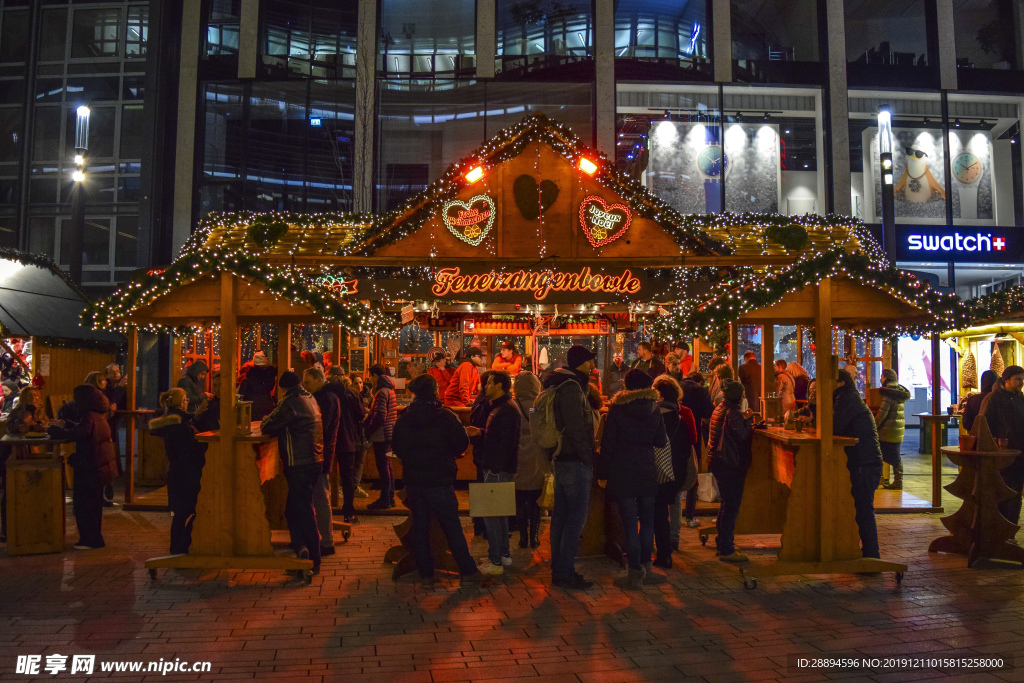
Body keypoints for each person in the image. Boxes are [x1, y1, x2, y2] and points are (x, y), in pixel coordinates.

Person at [391, 374, 487, 585]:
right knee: (452, 527)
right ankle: (468, 571)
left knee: (420, 527)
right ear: (435, 391)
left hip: (415, 480)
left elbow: (397, 446)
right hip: (439, 480)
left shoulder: (405, 417)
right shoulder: (446, 416)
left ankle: (426, 573)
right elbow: (461, 444)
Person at [599, 369, 668, 587]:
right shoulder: (654, 408)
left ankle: (634, 571)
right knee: (647, 521)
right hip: (647, 469)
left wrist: (603, 472)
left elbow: (608, 442)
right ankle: (647, 566)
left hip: (623, 469)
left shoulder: (618, 408)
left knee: (629, 523)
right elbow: (660, 441)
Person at [544, 345, 599, 589]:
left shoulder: (562, 383)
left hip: (563, 460)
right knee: (575, 519)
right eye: (589, 361)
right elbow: (576, 427)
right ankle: (564, 571)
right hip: (574, 461)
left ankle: (559, 569)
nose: (592, 366)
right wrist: (588, 457)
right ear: (580, 362)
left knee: (561, 518)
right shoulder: (572, 387)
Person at [261, 371, 324, 576]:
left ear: (282, 388)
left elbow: (268, 425)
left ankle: (313, 560)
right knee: (294, 509)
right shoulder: (309, 397)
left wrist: (267, 418)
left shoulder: (290, 401)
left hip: (299, 463)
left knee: (303, 511)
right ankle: (302, 551)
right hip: (314, 460)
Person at [48, 385, 118, 550]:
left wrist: (57, 430)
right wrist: (67, 423)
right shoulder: (98, 414)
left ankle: (89, 540)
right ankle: (95, 538)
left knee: (84, 504)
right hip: (99, 465)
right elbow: (85, 429)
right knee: (94, 505)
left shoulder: (88, 415)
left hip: (90, 466)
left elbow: (79, 434)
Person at [466, 370, 521, 575]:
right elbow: (498, 438)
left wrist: (494, 468)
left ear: (499, 386)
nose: (485, 387)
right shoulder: (500, 407)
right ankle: (503, 555)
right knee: (500, 514)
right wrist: (480, 433)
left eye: (489, 383)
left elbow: (505, 444)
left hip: (497, 469)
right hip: (497, 468)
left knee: (492, 515)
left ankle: (495, 560)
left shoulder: (506, 409)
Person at [832, 368, 883, 559]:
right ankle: (869, 553)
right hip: (865, 460)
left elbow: (834, 426)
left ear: (840, 383)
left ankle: (872, 555)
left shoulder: (846, 399)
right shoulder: (845, 397)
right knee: (862, 508)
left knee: (863, 509)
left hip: (865, 462)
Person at [148, 388, 206, 555]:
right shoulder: (179, 424)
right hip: (186, 472)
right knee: (197, 508)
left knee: (180, 513)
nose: (187, 401)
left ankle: (177, 548)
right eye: (186, 399)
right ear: (182, 402)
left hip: (177, 472)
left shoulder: (171, 420)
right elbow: (189, 446)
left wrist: (196, 416)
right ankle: (181, 547)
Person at [652, 375, 697, 569]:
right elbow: (691, 443)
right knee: (674, 501)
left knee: (656, 510)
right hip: (676, 469)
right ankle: (672, 542)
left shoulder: (652, 415)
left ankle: (659, 550)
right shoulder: (683, 415)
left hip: (656, 469)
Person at [707, 379, 753, 563]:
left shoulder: (719, 408)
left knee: (726, 505)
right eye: (742, 395)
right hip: (730, 463)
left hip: (718, 461)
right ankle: (726, 548)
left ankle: (722, 544)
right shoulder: (733, 412)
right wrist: (747, 421)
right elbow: (741, 435)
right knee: (731, 507)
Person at [979, 365, 1024, 525]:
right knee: (1000, 491)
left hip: (1019, 454)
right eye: (1017, 379)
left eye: (1022, 379)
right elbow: (983, 425)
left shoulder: (1020, 399)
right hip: (999, 455)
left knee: (1016, 492)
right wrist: (995, 442)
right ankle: (997, 528)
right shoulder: (993, 399)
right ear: (1006, 380)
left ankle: (1011, 528)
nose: (1021, 383)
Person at [303, 367, 340, 557]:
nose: (305, 387)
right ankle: (324, 539)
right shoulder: (329, 396)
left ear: (319, 379)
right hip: (323, 452)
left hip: (320, 453)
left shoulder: (325, 398)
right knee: (320, 496)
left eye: (308, 382)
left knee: (320, 496)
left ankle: (326, 541)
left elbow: (320, 427)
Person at [326, 366, 366, 523]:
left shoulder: (325, 392)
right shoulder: (353, 393)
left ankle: (323, 510)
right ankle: (349, 513)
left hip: (328, 439)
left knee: (324, 475)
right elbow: (361, 415)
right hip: (348, 438)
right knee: (347, 477)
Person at [512, 372, 547, 549]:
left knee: (519, 500)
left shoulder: (513, 405)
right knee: (535, 500)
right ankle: (534, 536)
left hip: (518, 456)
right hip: (536, 457)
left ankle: (523, 536)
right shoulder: (538, 405)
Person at [680, 370, 714, 532]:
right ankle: (690, 515)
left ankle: (671, 516)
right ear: (699, 381)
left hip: (673, 438)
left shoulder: (676, 386)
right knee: (693, 477)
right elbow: (709, 413)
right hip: (693, 437)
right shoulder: (701, 391)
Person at [363, 364, 397, 510]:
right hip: (389, 433)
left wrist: (369, 430)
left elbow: (380, 415)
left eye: (370, 376)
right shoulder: (390, 390)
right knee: (388, 466)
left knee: (383, 468)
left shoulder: (381, 392)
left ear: (375, 376)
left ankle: (385, 499)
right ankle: (390, 497)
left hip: (382, 434)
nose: (370, 379)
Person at [875, 369, 911, 490]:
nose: (880, 379)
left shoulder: (888, 393)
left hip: (887, 431)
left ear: (886, 378)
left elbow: (882, 414)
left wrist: (873, 426)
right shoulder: (899, 391)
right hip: (897, 430)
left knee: (878, 455)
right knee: (895, 457)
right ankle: (898, 481)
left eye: (882, 376)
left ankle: (881, 480)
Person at [239, 350, 278, 420]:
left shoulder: (248, 379)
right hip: (267, 406)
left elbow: (241, 395)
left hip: (252, 409)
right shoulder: (270, 376)